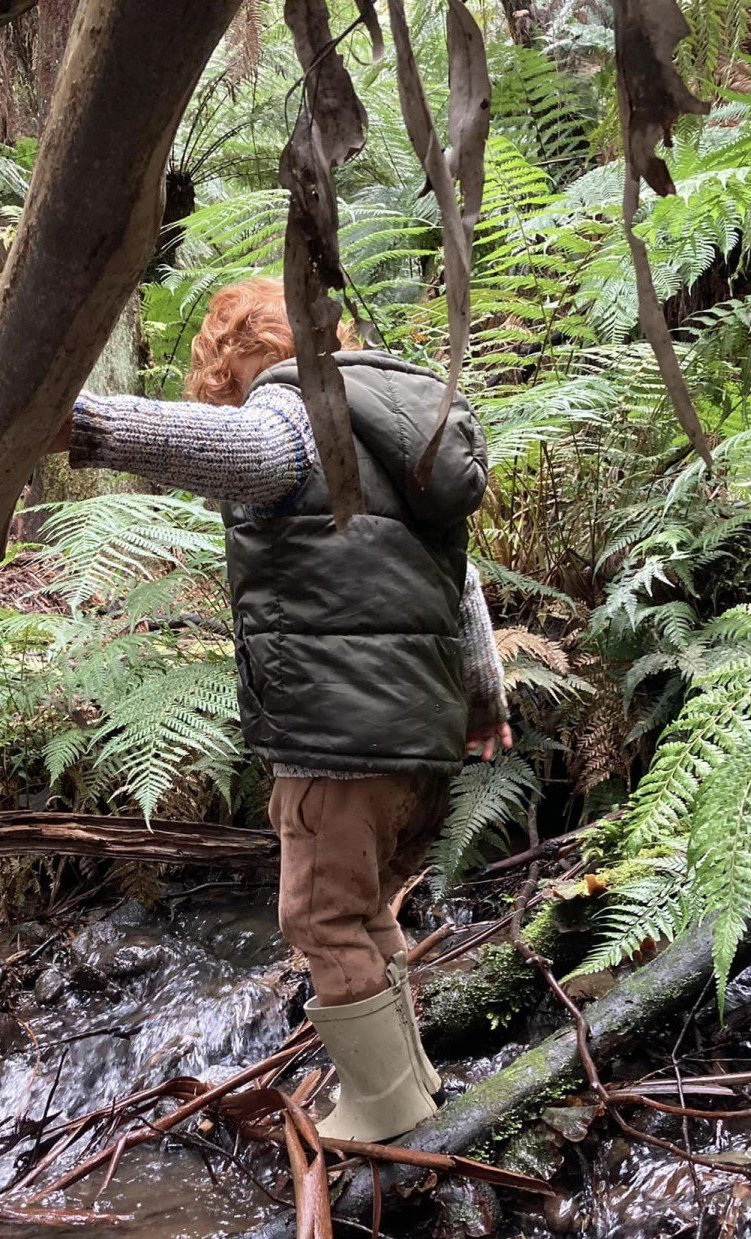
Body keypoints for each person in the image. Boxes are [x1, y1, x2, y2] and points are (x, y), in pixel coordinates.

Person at [49, 277, 511, 1143]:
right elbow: (463, 586)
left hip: (337, 742)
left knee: (319, 917)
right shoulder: (401, 440)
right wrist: (484, 704)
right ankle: (413, 1085)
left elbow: (238, 448)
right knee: (365, 909)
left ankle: (388, 1114)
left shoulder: (294, 418)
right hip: (421, 741)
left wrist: (79, 425)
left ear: (243, 364)